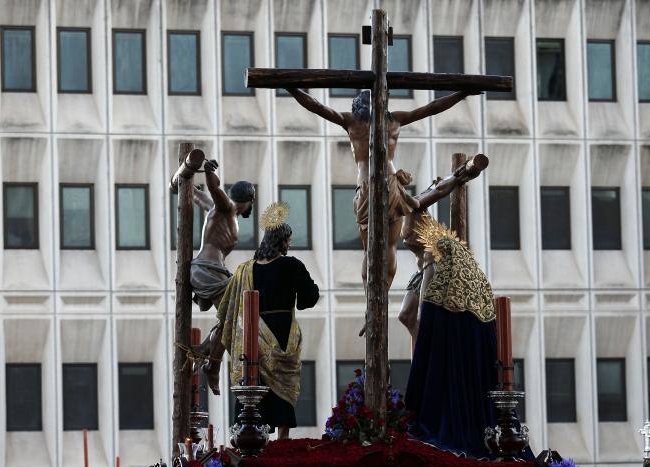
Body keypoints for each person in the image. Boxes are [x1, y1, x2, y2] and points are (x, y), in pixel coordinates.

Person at [287, 88, 478, 292]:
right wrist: (461, 94)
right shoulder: (394, 120)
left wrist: (291, 88)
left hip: (367, 186)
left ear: (357, 105)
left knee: (369, 250)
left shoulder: (352, 121)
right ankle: (381, 295)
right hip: (390, 184)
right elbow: (431, 108)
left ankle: (372, 300)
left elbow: (316, 106)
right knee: (389, 247)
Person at [214, 202, 320, 439]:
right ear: (282, 241)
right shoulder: (292, 266)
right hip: (282, 337)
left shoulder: (244, 270)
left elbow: (228, 309)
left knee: (253, 386)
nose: (289, 244)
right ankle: (282, 441)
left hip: (252, 338)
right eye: (288, 240)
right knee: (283, 390)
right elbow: (310, 297)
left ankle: (249, 438)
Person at [403, 215, 499, 458]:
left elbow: (426, 308)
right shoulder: (426, 260)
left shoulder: (435, 254)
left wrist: (426, 336)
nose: (404, 233)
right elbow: (410, 314)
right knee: (406, 316)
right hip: (435, 323)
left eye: (409, 228)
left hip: (442, 333)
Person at [179, 159, 255, 393]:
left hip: (214, 271)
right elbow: (213, 190)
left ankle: (205, 350)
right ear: (250, 201)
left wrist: (189, 186)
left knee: (233, 317)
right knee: (233, 318)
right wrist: (210, 173)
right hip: (207, 271)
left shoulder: (221, 210)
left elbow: (202, 196)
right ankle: (212, 366)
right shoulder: (227, 208)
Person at [399, 155, 487, 345]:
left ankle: (430, 353)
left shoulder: (413, 204)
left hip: (435, 261)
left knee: (425, 316)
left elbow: (439, 190)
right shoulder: (394, 220)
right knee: (405, 316)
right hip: (421, 270)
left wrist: (458, 176)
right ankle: (422, 351)